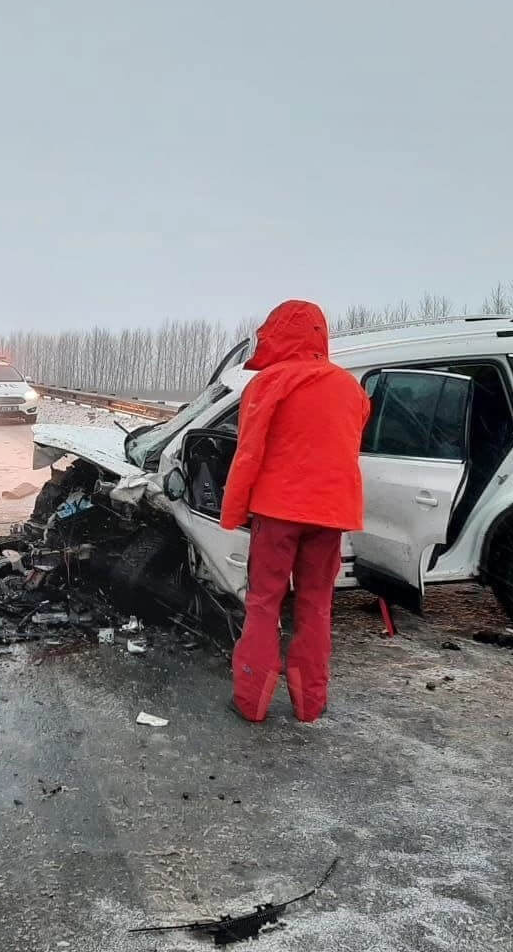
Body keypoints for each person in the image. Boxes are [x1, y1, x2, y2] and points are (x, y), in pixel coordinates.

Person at [219, 300, 370, 723]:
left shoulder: (270, 383)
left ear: (277, 334)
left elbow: (247, 455)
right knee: (316, 606)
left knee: (264, 604)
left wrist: (232, 514)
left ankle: (251, 703)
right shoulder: (351, 389)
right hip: (331, 515)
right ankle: (311, 704)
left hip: (278, 513)